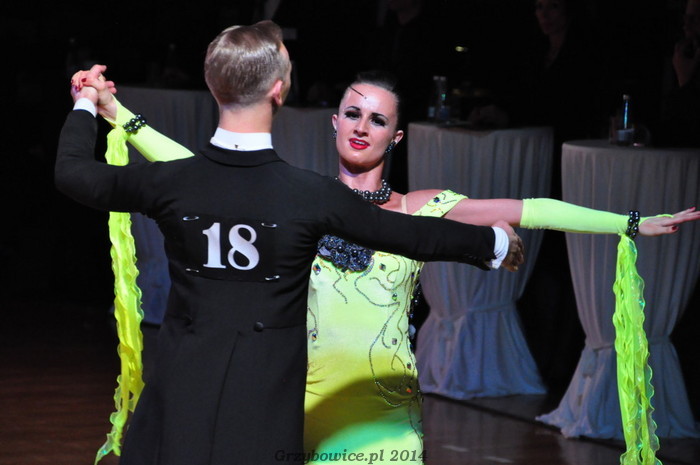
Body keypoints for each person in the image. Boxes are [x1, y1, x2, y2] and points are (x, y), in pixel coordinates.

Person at [77, 62, 700, 463]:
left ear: (396, 137)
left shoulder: (422, 207)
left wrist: (629, 223)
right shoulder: (298, 200)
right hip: (295, 407)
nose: (361, 127)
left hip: (384, 416)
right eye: (352, 113)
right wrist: (115, 113)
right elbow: (186, 169)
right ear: (333, 122)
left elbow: (530, 209)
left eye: (377, 120)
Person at [56, 22, 527, 465]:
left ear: (212, 84)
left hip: (177, 404)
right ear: (279, 91)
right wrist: (492, 243)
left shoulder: (171, 183)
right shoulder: (309, 196)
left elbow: (73, 173)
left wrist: (86, 104)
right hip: (264, 416)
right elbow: (409, 234)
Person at [655, 0, 700, 147]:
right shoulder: (683, 57)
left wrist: (684, 80)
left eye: (694, 19)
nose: (686, 25)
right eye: (685, 18)